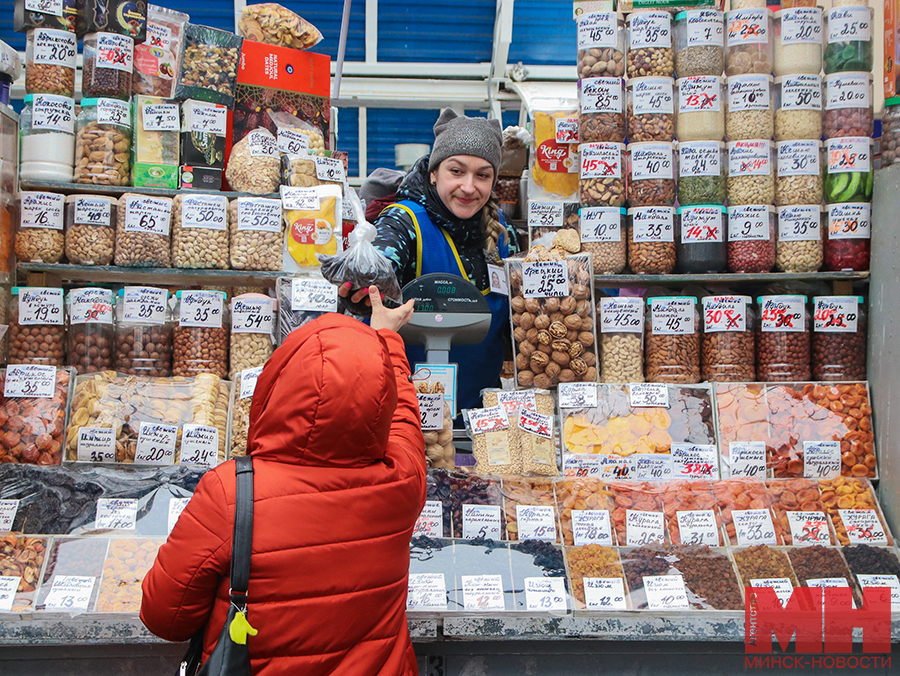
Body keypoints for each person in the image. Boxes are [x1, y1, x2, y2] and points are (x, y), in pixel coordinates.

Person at [140, 289, 425, 676]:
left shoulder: (232, 491)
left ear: (277, 383)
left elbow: (164, 618)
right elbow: (404, 418)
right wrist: (387, 339)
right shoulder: (402, 480)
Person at [341, 108, 517, 411]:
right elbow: (382, 260)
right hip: (402, 419)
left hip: (481, 424)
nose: (468, 186)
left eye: (482, 175)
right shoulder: (405, 221)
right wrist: (365, 285)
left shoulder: (501, 230)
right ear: (434, 173)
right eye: (457, 171)